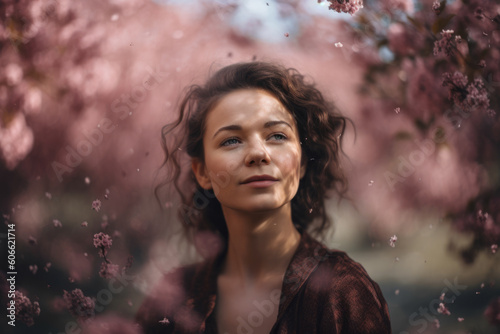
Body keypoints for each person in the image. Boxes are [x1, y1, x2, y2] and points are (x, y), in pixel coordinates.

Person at [135, 61, 392, 333]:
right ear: (202, 172)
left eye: (277, 136)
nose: (259, 153)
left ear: (302, 162)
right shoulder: (173, 296)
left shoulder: (343, 291)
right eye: (231, 140)